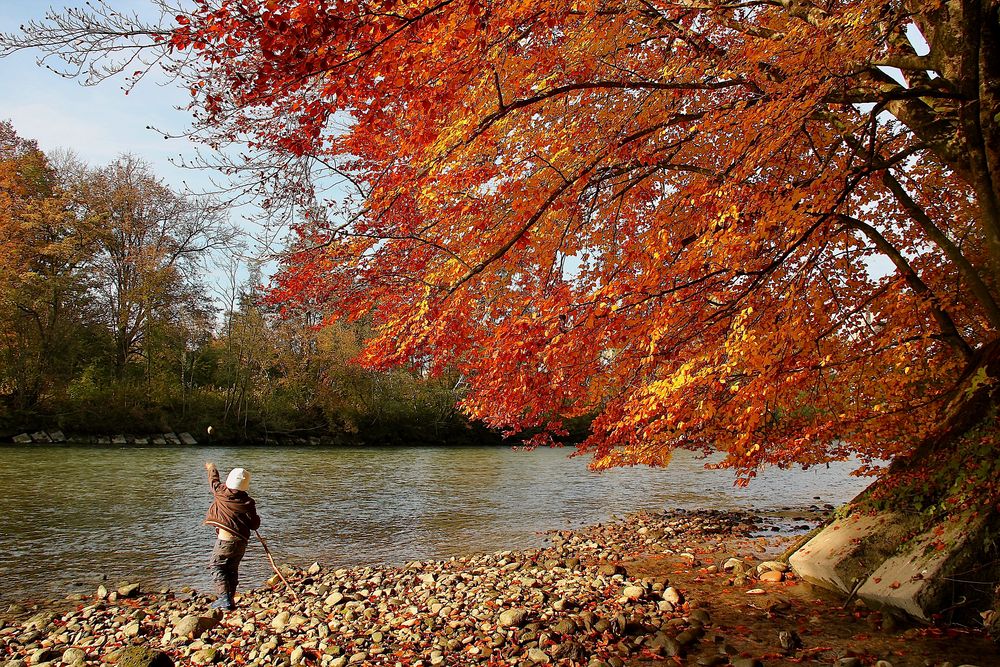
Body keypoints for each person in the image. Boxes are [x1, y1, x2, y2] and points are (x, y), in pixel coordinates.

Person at [203, 461, 261, 610]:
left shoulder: (221, 492)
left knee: (216, 566)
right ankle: (230, 599)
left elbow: (213, 480)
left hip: (226, 540)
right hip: (242, 541)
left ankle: (224, 598)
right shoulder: (248, 502)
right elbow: (254, 525)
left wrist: (211, 468)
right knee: (232, 569)